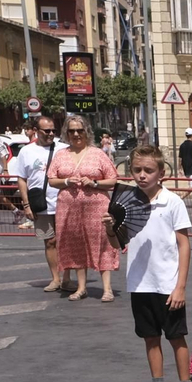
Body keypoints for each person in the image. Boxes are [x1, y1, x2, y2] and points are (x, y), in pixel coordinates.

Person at [108, 145, 192, 382]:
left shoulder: (172, 202)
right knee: (150, 337)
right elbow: (116, 242)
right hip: (140, 283)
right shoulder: (126, 203)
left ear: (161, 173)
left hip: (167, 283)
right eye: (137, 170)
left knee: (176, 337)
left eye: (148, 170)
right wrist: (108, 229)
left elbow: (184, 245)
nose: (142, 175)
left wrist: (180, 285)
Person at [50, 114, 119, 301]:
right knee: (77, 244)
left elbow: (113, 179)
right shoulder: (61, 154)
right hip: (68, 207)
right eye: (71, 130)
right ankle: (81, 288)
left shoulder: (98, 154)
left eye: (79, 130)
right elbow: (51, 179)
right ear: (66, 132)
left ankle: (107, 289)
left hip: (97, 206)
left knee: (102, 242)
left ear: (86, 131)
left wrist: (95, 183)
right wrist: (66, 180)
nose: (76, 134)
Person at [13, 116, 63, 291]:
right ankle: (56, 278)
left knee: (67, 242)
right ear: (36, 130)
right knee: (50, 241)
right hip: (40, 204)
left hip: (65, 203)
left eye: (53, 130)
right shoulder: (27, 151)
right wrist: (26, 205)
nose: (51, 134)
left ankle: (70, 277)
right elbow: (21, 179)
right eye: (46, 131)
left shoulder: (63, 148)